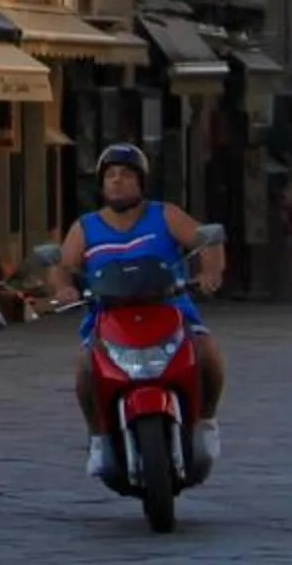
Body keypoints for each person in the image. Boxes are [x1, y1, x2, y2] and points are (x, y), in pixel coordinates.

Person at [46, 143, 226, 480]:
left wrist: (211, 272)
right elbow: (63, 266)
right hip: (108, 317)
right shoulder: (85, 227)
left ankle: (206, 422)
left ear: (141, 182)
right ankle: (98, 438)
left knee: (207, 353)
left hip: (169, 309)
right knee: (85, 369)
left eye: (127, 175)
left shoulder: (165, 215)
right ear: (101, 184)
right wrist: (63, 288)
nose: (118, 181)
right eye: (111, 176)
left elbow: (207, 241)